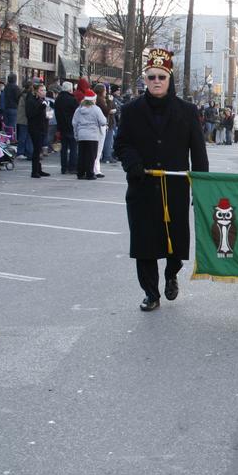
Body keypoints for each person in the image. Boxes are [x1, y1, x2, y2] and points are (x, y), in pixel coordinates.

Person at [115, 48, 209, 311]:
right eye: (151, 77)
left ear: (169, 79)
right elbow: (121, 143)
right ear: (145, 79)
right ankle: (150, 293)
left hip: (175, 187)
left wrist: (201, 186)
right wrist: (132, 162)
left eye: (161, 77)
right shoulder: (131, 111)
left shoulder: (187, 111)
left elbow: (198, 152)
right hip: (142, 187)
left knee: (175, 241)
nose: (156, 81)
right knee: (144, 242)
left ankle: (171, 274)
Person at [73, 89, 106, 180]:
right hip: (93, 135)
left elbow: (74, 123)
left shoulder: (79, 109)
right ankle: (90, 173)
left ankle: (80, 173)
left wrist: (76, 134)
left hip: (81, 134)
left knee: (82, 155)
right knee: (91, 155)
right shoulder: (96, 109)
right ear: (92, 100)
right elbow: (103, 121)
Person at [25, 82, 50, 178]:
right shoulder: (31, 100)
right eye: (41, 90)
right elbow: (30, 114)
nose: (44, 92)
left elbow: (46, 113)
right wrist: (41, 108)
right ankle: (34, 171)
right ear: (36, 91)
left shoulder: (43, 100)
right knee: (36, 149)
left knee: (39, 149)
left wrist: (48, 112)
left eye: (44, 90)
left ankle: (39, 169)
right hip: (35, 127)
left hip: (42, 126)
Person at [54, 81, 79, 174]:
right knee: (73, 147)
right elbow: (77, 112)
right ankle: (72, 167)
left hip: (61, 126)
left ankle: (63, 167)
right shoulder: (72, 99)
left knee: (63, 148)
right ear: (70, 89)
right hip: (71, 126)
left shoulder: (58, 99)